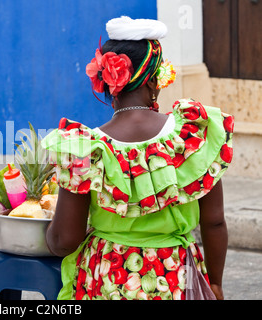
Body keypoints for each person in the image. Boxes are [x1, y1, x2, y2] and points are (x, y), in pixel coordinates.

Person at [41, 16, 233, 300]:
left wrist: (48, 237)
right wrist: (214, 284)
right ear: (155, 82)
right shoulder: (190, 138)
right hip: (175, 277)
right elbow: (214, 223)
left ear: (107, 84)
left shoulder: (84, 149)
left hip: (107, 279)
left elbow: (65, 240)